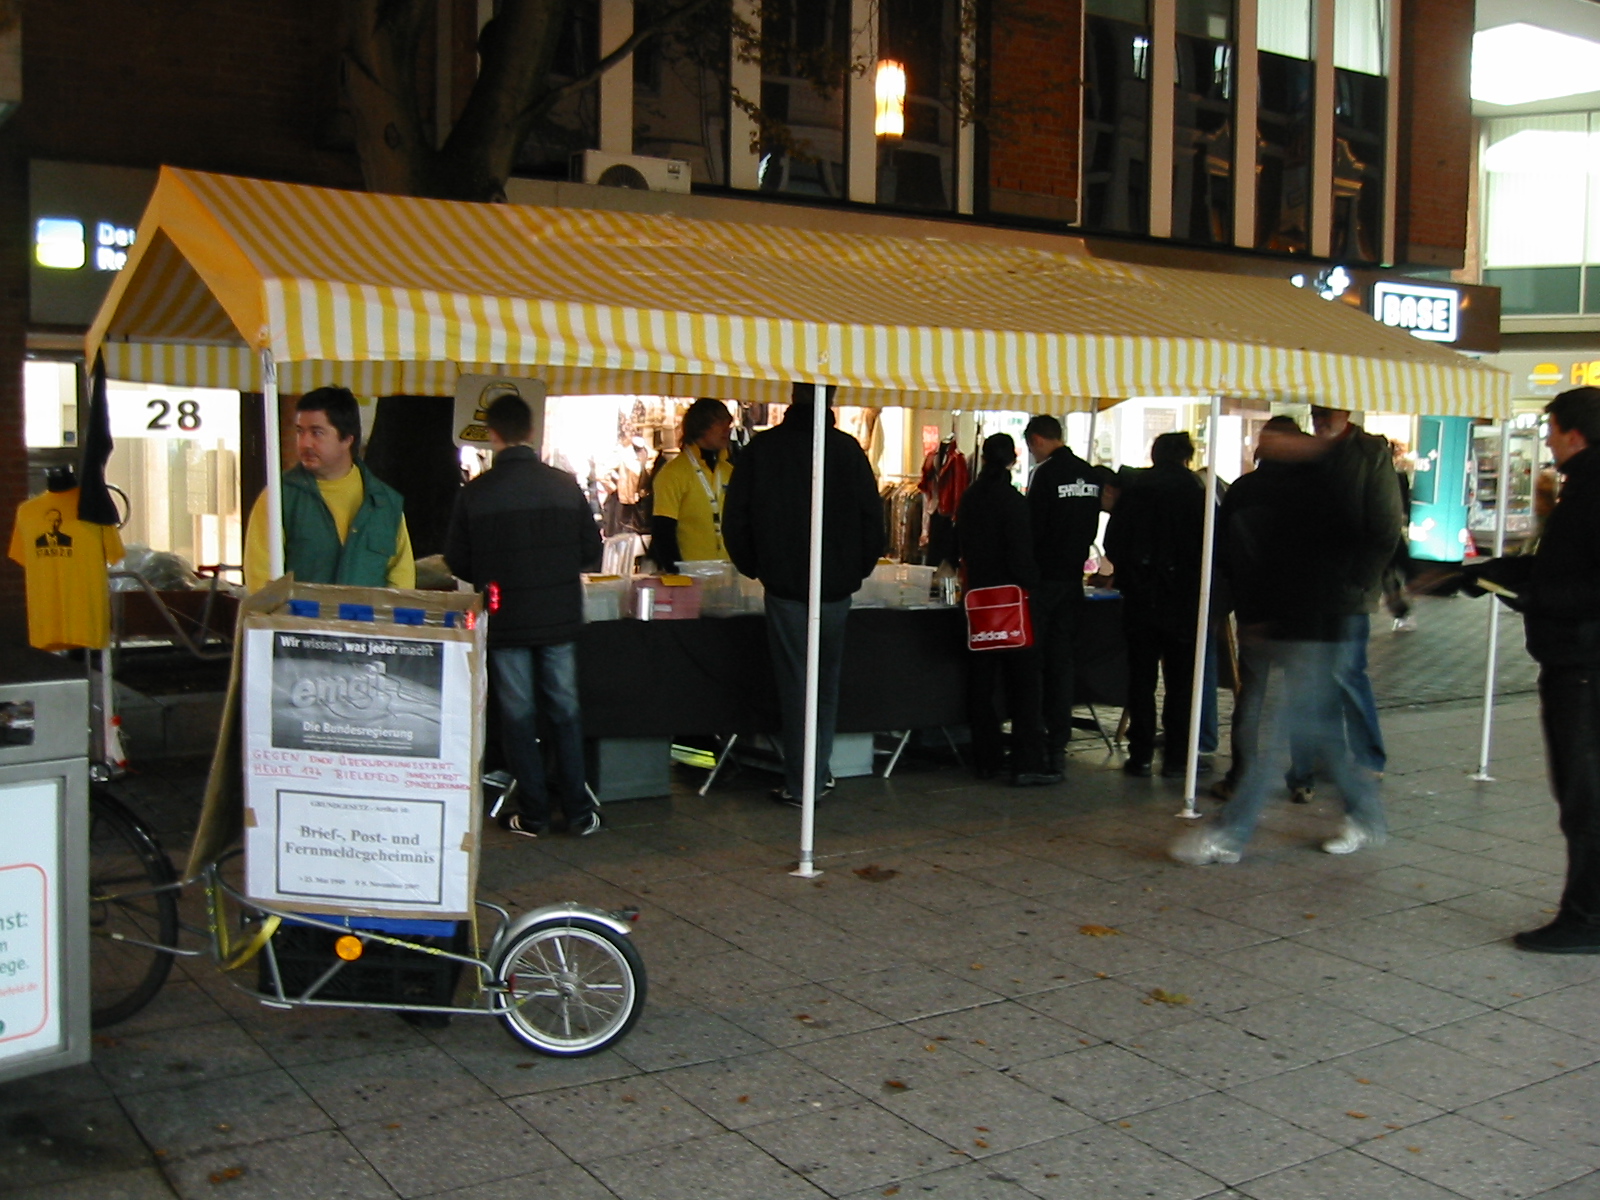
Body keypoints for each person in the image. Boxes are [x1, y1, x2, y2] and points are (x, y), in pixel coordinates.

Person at [1173, 416, 1397, 865]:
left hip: (1311, 625)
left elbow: (1351, 546)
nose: (1267, 446)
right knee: (1317, 730)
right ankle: (1365, 815)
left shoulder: (1321, 488)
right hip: (1293, 624)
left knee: (1278, 731)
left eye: (1276, 440)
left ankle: (1232, 832)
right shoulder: (1295, 491)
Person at [1459, 387, 1600, 952]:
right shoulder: (1583, 485)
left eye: (1550, 431)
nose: (1547, 441)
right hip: (1578, 658)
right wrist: (1499, 573)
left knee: (1584, 793)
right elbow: (1567, 565)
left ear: (1573, 434)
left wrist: (1532, 597)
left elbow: (1579, 583)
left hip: (1583, 664)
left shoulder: (1591, 488)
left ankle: (1588, 918)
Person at [445, 394, 603, 839]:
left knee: (518, 717)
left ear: (492, 434)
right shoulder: (564, 486)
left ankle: (533, 815)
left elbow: (458, 559)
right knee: (565, 712)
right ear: (532, 432)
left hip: (506, 617)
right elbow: (590, 550)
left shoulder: (475, 494)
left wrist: (492, 574)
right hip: (559, 616)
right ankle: (578, 813)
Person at [722, 383, 884, 806]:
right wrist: (854, 571)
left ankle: (803, 780)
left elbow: (735, 518)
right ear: (832, 400)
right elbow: (873, 521)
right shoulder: (847, 451)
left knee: (796, 686)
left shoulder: (763, 450)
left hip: (786, 587)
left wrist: (758, 567)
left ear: (793, 397)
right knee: (824, 684)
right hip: (834, 588)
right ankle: (815, 774)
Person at [1103, 431, 1207, 777]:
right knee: (1181, 682)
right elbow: (1207, 546)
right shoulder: (1196, 492)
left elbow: (1114, 541)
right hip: (1183, 598)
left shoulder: (1137, 489)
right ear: (1186, 458)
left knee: (1141, 678)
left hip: (1140, 597)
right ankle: (1177, 756)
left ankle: (1141, 753)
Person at [243, 386, 415, 592]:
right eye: (300, 431)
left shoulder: (384, 502)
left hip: (367, 615)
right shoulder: (279, 497)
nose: (305, 443)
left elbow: (402, 580)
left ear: (347, 439)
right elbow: (260, 580)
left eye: (317, 433)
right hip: (297, 614)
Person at [959, 434, 1059, 786]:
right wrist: (1034, 583)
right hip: (1013, 602)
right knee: (1025, 685)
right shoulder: (1014, 502)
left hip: (978, 600)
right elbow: (1021, 557)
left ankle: (985, 758)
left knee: (981, 683)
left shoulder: (970, 498)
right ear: (1013, 460)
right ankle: (1027, 761)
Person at [1023, 414, 1109, 772]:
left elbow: (1033, 528)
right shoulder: (1090, 474)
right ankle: (1060, 735)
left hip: (1045, 580)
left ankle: (1038, 733)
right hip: (1073, 578)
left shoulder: (1045, 476)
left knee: (1037, 660)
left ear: (1037, 440)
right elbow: (1091, 526)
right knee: (1063, 660)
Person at [650, 398, 735, 572]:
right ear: (701, 426)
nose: (727, 430)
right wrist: (677, 575)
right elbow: (663, 531)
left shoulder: (730, 471)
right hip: (690, 574)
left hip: (729, 574)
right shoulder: (673, 473)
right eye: (720, 424)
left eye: (728, 424)